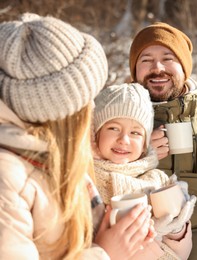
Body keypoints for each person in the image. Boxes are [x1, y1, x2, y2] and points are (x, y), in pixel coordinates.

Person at [0, 13, 155, 259]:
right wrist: (105, 254)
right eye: (86, 99)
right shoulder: (8, 178)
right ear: (59, 109)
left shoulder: (54, 156)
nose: (92, 109)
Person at [128, 22, 197, 259]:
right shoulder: (118, 123)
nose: (157, 68)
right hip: (143, 239)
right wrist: (138, 158)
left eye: (168, 58)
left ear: (184, 67)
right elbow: (94, 178)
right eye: (146, 60)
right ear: (135, 70)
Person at [92, 82, 197, 260]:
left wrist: (175, 230)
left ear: (144, 144)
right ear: (96, 134)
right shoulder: (86, 179)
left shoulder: (158, 181)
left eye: (135, 133)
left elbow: (181, 254)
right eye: (113, 128)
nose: (124, 139)